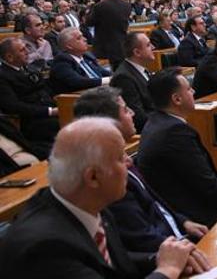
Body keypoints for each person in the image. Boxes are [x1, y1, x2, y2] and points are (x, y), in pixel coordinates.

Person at [0, 117, 205, 279]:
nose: (128, 164)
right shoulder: (46, 248)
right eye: (119, 158)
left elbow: (114, 263)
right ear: (93, 177)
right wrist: (166, 270)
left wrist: (162, 258)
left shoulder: (88, 203)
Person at [73, 86, 210, 257]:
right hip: (165, 254)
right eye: (125, 110)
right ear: (107, 123)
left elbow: (154, 201)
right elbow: (140, 238)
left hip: (179, 236)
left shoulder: (123, 157)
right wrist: (183, 250)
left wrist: (183, 222)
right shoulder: (106, 176)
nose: (133, 113)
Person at [138, 67, 217, 227]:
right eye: (189, 89)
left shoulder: (160, 121)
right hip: (198, 216)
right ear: (177, 99)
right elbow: (207, 187)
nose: (194, 91)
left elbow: (199, 172)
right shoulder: (173, 133)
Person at [0, 38, 59, 152]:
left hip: (50, 111)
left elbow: (47, 90)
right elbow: (13, 106)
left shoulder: (29, 68)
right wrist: (50, 111)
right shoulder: (3, 76)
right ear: (9, 57)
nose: (27, 52)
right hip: (32, 121)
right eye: (22, 50)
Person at [110, 32, 156, 132]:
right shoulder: (123, 78)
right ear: (137, 52)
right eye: (148, 45)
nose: (153, 47)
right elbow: (138, 117)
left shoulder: (142, 69)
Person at [49, 27, 112, 94]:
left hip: (98, 92)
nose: (85, 39)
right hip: (77, 99)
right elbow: (78, 82)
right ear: (69, 46)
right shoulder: (61, 62)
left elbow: (103, 72)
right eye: (79, 38)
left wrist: (117, 77)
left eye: (83, 36)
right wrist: (108, 80)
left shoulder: (86, 56)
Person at [86, 0, 132, 69]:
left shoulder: (100, 6)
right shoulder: (127, 5)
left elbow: (89, 22)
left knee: (107, 75)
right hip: (121, 47)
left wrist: (91, 6)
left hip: (104, 49)